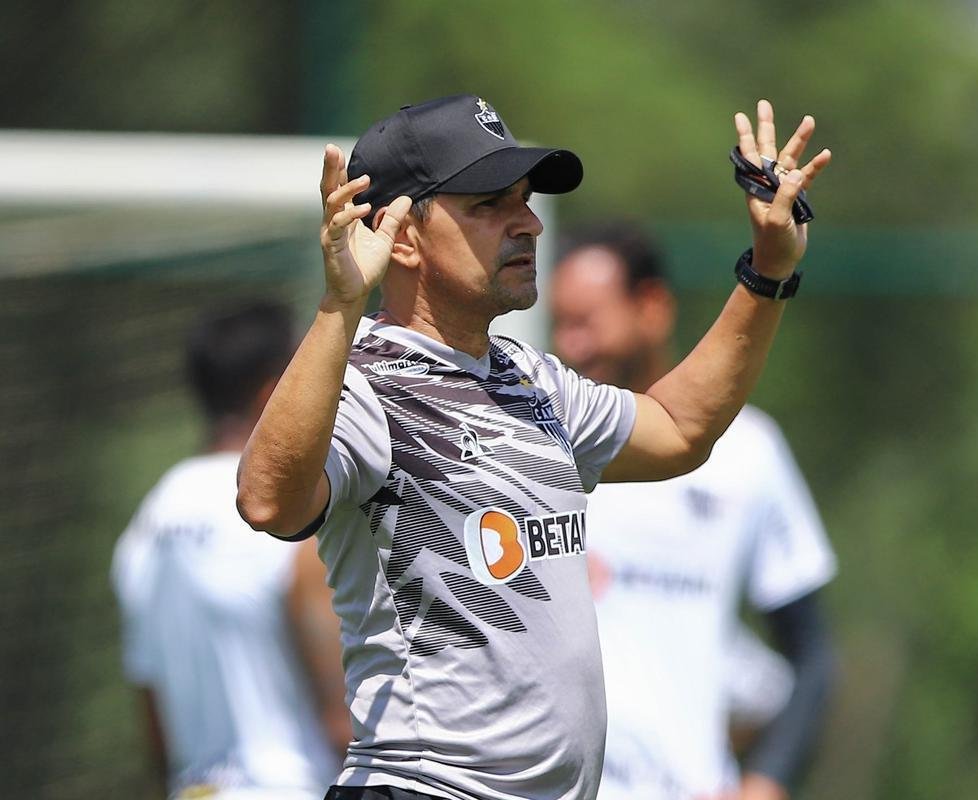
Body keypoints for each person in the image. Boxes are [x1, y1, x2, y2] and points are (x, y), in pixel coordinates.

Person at [235, 93, 831, 800]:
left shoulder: (529, 378)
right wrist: (340, 307)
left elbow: (677, 430)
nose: (529, 223)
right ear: (400, 237)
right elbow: (268, 500)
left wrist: (766, 270)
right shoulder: (370, 385)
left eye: (524, 199)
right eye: (489, 205)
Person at [550, 225, 837, 800]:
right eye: (561, 323)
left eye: (587, 321)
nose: (571, 344)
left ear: (652, 308)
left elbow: (812, 658)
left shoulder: (748, 451)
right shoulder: (536, 447)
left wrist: (766, 782)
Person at [112, 302, 348, 799]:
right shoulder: (290, 522)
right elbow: (343, 718)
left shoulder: (146, 522)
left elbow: (154, 722)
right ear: (272, 394)